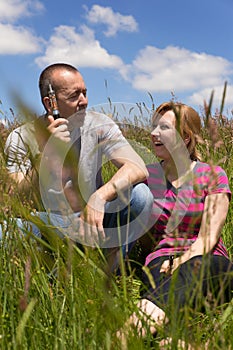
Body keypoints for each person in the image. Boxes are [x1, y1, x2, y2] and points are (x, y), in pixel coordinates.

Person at [4, 63, 153, 269]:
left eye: (85, 92)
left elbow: (137, 167)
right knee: (7, 232)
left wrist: (99, 197)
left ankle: (109, 272)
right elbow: (17, 197)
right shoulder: (20, 137)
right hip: (48, 223)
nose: (84, 101)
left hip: (93, 220)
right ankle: (57, 274)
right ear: (50, 103)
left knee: (141, 196)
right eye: (74, 95)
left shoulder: (100, 125)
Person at [118, 102, 233, 342]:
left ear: (186, 138)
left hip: (208, 258)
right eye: (153, 127)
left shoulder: (212, 175)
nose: (153, 133)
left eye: (164, 127)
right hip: (161, 260)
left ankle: (122, 340)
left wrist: (182, 259)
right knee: (162, 281)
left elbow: (208, 238)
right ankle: (175, 341)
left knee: (192, 269)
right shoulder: (149, 176)